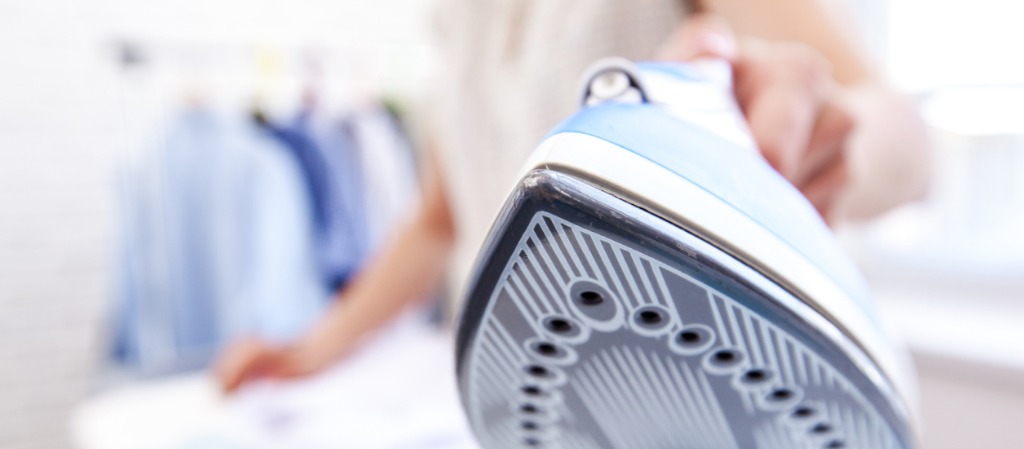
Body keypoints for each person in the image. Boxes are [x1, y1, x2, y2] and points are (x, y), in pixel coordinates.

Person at [217, 0, 929, 392]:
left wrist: (830, 139)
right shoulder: (457, 18)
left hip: (718, 388)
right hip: (534, 406)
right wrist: (315, 348)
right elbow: (441, 218)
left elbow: (909, 145)